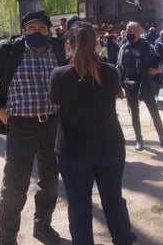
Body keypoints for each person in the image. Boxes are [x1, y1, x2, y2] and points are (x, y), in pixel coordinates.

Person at [0, 11, 65, 245]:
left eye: (41, 29)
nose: (36, 33)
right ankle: (8, 238)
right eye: (31, 29)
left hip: (53, 124)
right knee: (15, 185)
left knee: (51, 182)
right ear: (24, 32)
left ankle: (42, 226)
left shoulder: (59, 49)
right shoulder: (8, 51)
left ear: (49, 30)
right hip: (21, 128)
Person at [49, 21, 136, 245]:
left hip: (73, 150)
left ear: (68, 45)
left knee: (79, 207)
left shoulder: (59, 75)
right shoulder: (110, 72)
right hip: (109, 147)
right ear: (98, 43)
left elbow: (55, 100)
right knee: (114, 201)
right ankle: (123, 239)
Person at [117, 21, 163, 151]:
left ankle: (162, 139)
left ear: (139, 32)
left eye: (132, 31)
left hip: (146, 84)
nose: (129, 33)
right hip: (130, 85)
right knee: (135, 114)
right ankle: (139, 139)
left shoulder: (148, 46)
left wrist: (157, 71)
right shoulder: (124, 48)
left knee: (154, 112)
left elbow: (160, 62)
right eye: (127, 31)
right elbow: (119, 67)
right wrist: (119, 86)